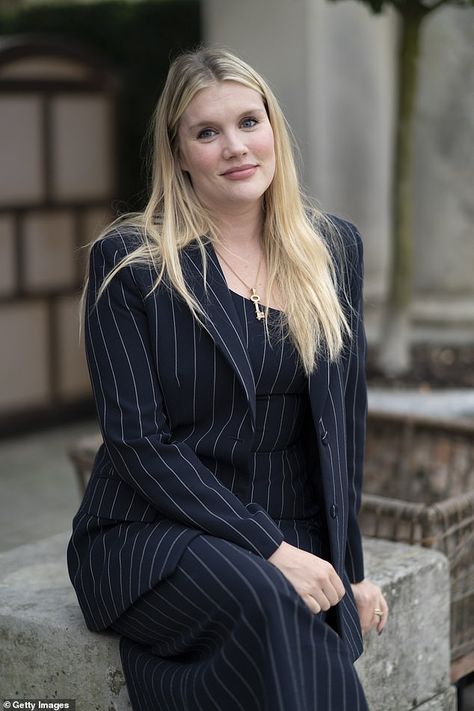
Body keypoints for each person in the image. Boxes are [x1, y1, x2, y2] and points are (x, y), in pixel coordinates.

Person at [67, 46, 388, 711]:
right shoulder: (131, 263)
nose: (235, 147)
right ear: (178, 153)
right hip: (152, 532)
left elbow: (341, 427)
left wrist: (347, 571)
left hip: (288, 523)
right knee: (269, 603)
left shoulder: (332, 249)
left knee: (302, 615)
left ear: (274, 129)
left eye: (249, 122)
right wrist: (272, 550)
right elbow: (138, 443)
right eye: (206, 132)